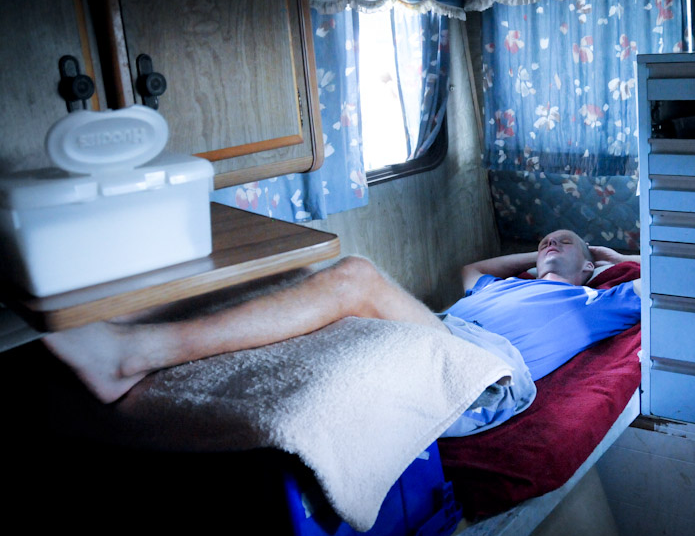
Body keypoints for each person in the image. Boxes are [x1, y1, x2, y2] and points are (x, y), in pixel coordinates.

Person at [43, 229, 640, 405]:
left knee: (354, 276)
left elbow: (665, 274)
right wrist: (540, 258)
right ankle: (148, 342)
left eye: (563, 241)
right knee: (303, 284)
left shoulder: (593, 304)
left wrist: (607, 257)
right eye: (542, 240)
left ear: (589, 266)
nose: (548, 243)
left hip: (487, 374)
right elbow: (470, 268)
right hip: (447, 335)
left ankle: (129, 354)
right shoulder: (501, 287)